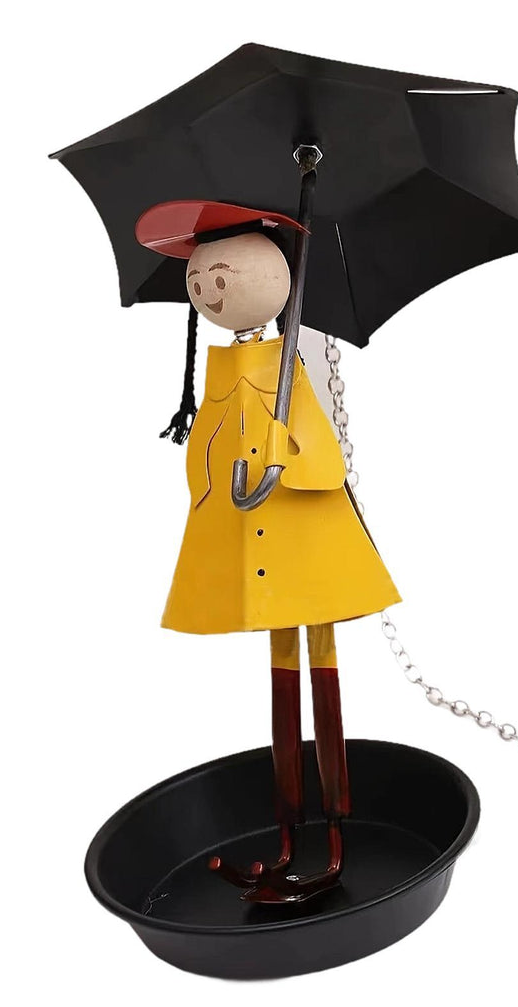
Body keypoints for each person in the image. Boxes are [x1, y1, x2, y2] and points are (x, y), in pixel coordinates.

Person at [136, 199, 400, 902]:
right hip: (257, 549)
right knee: (282, 677)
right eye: (200, 281)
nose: (209, 292)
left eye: (222, 277)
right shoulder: (224, 370)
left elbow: (325, 460)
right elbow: (205, 448)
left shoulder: (292, 369)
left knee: (322, 669)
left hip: (307, 550)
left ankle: (334, 831)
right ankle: (288, 831)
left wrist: (288, 455)